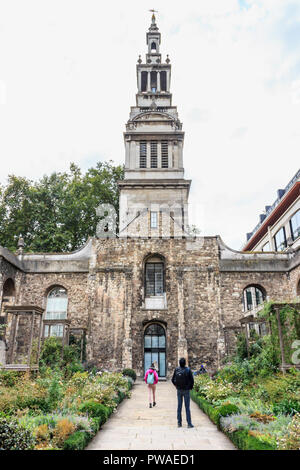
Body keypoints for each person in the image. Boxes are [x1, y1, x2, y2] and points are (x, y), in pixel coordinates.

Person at [172, 357, 194, 428]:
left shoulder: (176, 369)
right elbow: (192, 380)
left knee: (179, 406)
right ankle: (189, 423)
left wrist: (176, 386)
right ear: (185, 363)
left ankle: (179, 423)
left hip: (179, 390)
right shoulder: (188, 370)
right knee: (187, 407)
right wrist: (190, 387)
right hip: (186, 390)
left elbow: (173, 380)